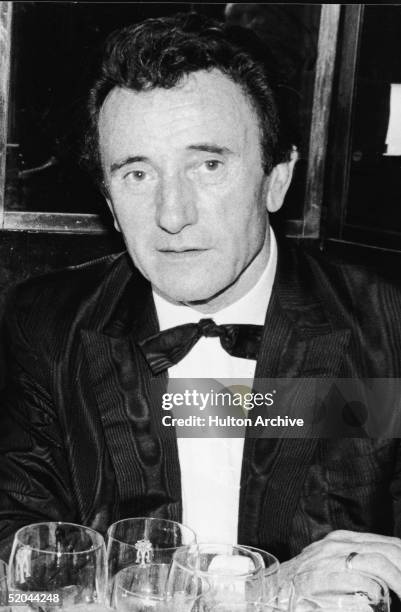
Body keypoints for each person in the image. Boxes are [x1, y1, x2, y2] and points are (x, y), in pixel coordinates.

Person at [1, 11, 401, 598]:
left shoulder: (385, 326)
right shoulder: (43, 324)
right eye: (137, 174)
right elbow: (18, 556)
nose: (172, 214)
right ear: (110, 204)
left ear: (276, 180)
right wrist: (250, 597)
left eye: (208, 165)